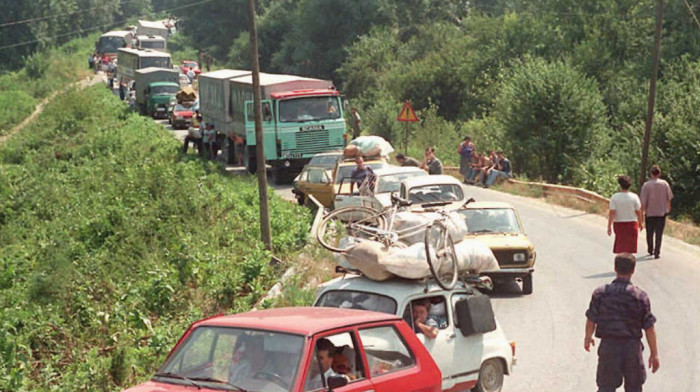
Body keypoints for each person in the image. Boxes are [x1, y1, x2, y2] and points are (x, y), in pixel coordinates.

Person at [584, 253, 659, 392]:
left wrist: (588, 338)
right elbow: (649, 328)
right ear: (633, 270)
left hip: (609, 347)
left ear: (615, 268)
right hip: (632, 349)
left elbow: (591, 319)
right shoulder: (640, 297)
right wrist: (654, 354)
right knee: (634, 388)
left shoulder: (600, 293)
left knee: (606, 387)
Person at [640, 165, 673, 259]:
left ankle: (650, 249)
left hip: (650, 213)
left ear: (651, 173)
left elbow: (643, 201)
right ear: (659, 173)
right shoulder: (665, 184)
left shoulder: (646, 185)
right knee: (659, 233)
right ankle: (657, 252)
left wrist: (642, 213)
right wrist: (669, 207)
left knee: (649, 233)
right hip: (661, 213)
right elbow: (668, 198)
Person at [607, 175, 643, 254]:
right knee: (630, 249)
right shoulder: (634, 197)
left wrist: (609, 226)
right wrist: (640, 222)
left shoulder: (615, 197)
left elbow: (612, 212)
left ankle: (620, 264)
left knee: (620, 247)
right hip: (632, 224)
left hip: (619, 224)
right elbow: (638, 211)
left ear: (620, 185)